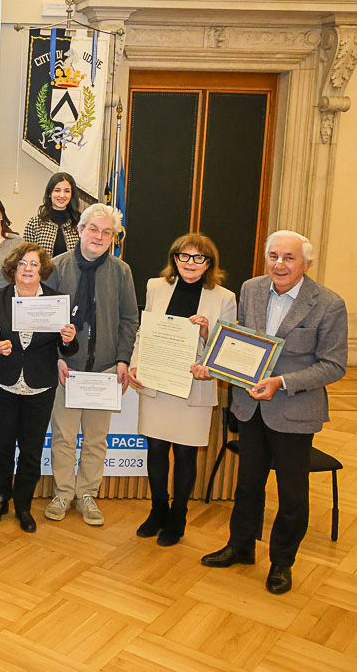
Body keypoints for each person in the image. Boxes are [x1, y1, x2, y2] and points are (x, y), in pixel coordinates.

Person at [201, 231, 347, 595]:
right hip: (250, 407)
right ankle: (241, 547)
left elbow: (334, 365)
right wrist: (211, 342)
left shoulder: (329, 304)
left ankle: (282, 562)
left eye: (288, 257)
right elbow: (238, 342)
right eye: (273, 256)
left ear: (306, 264)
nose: (279, 264)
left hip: (294, 411)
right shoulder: (251, 289)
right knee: (248, 483)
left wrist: (281, 381)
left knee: (292, 494)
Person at [128, 234, 236, 546]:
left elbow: (225, 350)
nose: (190, 263)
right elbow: (143, 331)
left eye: (198, 258)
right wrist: (136, 364)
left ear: (209, 263)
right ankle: (157, 509)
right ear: (174, 259)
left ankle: (178, 514)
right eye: (183, 256)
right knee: (157, 449)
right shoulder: (155, 286)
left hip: (194, 385)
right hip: (158, 381)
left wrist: (206, 331)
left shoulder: (224, 297)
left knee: (186, 453)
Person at [0, 242, 77, 534]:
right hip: (2, 384)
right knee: (2, 448)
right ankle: (1, 499)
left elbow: (66, 349)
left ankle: (24, 506)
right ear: (13, 268)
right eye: (22, 263)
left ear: (42, 269)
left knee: (31, 451)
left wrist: (68, 338)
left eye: (34, 264)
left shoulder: (56, 301)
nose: (28, 269)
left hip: (40, 386)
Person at [44, 204, 138, 526]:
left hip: (105, 371)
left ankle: (87, 493)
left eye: (106, 232)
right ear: (80, 230)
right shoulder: (57, 267)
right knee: (64, 436)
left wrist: (123, 359)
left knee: (97, 438)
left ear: (113, 237)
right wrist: (56, 356)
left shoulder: (121, 271)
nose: (99, 236)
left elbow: (129, 319)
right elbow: (47, 319)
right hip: (66, 370)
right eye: (93, 229)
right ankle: (63, 492)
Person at [22, 172, 83, 257]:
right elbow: (26, 257)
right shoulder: (34, 223)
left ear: (72, 194)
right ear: (50, 193)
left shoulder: (81, 223)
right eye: (57, 190)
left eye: (67, 191)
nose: (62, 195)